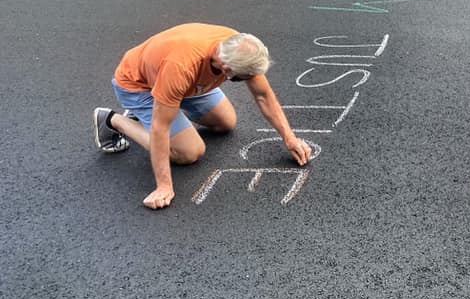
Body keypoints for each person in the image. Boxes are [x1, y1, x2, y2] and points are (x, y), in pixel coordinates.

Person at [92, 23, 312, 210]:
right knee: (189, 153)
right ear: (226, 68)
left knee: (226, 122)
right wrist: (164, 186)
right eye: (243, 77)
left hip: (185, 85)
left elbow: (263, 96)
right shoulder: (181, 66)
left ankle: (159, 110)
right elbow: (161, 127)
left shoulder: (239, 47)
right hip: (140, 86)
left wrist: (289, 137)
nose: (251, 80)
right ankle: (115, 121)